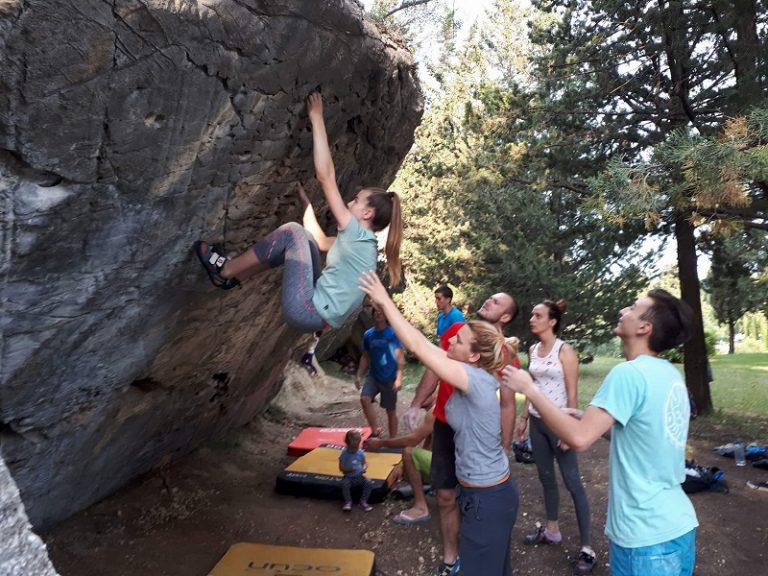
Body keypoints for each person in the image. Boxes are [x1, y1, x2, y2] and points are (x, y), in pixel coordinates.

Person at [503, 289, 698, 576]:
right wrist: (594, 421)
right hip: (679, 527)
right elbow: (645, 434)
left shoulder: (628, 374)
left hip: (644, 539)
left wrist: (529, 388)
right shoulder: (669, 374)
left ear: (645, 328)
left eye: (632, 308)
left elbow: (579, 439)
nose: (623, 311)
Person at [194, 92, 403, 334]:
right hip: (315, 315)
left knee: (292, 232)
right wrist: (306, 206)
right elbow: (320, 241)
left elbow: (326, 176)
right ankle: (234, 278)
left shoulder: (356, 233)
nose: (348, 203)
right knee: (305, 241)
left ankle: (226, 269)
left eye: (356, 201)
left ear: (367, 213)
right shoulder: (362, 247)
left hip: (307, 310)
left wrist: (317, 118)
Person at [361, 272, 519, 576]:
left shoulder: (474, 378)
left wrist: (384, 300)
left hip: (489, 498)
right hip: (483, 493)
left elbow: (419, 346)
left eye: (458, 341)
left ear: (474, 356)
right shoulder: (467, 370)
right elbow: (426, 348)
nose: (451, 341)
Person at [403, 292, 520, 576]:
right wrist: (420, 403)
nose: (489, 301)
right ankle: (451, 559)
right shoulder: (461, 334)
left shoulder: (495, 361)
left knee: (479, 516)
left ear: (506, 317)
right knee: (446, 496)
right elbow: (435, 363)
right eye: (490, 298)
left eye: (497, 302)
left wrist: (502, 447)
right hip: (449, 426)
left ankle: (474, 550)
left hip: (486, 481)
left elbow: (506, 405)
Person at [516, 300, 595, 575]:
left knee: (573, 482)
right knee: (546, 477)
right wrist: (525, 418)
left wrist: (570, 429)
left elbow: (573, 392)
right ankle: (552, 530)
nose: (532, 319)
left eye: (538, 315)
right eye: (532, 314)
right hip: (538, 421)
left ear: (552, 322)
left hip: (560, 422)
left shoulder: (566, 350)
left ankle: (587, 548)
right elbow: (532, 385)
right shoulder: (533, 349)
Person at [365, 410, 436, 525]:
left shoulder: (437, 409)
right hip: (469, 468)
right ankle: (441, 489)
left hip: (456, 469)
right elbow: (430, 446)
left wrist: (380, 443)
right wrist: (404, 465)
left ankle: (421, 508)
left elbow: (413, 440)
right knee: (410, 463)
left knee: (408, 452)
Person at [355, 304, 405, 438]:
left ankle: (393, 439)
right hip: (373, 376)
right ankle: (374, 430)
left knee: (390, 411)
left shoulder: (393, 334)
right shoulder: (368, 334)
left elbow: (400, 357)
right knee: (365, 399)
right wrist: (359, 375)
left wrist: (399, 378)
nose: (378, 314)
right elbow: (365, 356)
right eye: (375, 312)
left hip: (389, 377)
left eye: (381, 312)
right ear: (372, 315)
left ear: (386, 315)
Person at [338, 429, 374, 512]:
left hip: (359, 476)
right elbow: (341, 468)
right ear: (347, 444)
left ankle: (363, 501)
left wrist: (364, 468)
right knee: (344, 484)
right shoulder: (344, 454)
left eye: (357, 447)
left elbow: (365, 463)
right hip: (348, 477)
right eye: (352, 447)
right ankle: (348, 502)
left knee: (368, 482)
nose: (354, 449)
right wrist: (349, 469)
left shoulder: (360, 452)